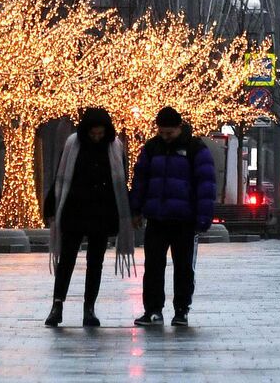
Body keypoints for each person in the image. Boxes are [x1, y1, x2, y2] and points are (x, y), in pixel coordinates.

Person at [42, 107, 135, 328]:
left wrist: (123, 212)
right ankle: (57, 305)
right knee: (67, 260)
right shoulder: (73, 144)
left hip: (101, 212)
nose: (97, 137)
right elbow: (61, 176)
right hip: (75, 208)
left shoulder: (115, 147)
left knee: (96, 262)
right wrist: (52, 206)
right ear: (86, 131)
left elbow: (120, 183)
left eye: (100, 134)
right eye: (93, 133)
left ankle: (89, 308)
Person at [128, 106, 216, 327]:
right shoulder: (151, 147)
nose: (165, 137)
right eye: (162, 132)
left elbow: (206, 185)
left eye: (170, 133)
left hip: (184, 220)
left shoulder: (195, 148)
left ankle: (181, 310)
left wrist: (203, 217)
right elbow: (140, 180)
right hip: (157, 218)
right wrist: (136, 210)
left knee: (184, 267)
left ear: (179, 127)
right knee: (153, 266)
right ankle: (153, 310)